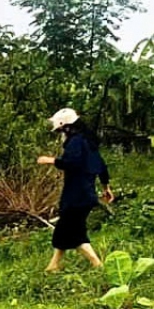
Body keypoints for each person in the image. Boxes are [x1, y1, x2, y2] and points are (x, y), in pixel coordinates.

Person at [37, 108, 113, 272]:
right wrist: (106, 187)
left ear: (64, 126)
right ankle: (53, 265)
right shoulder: (88, 142)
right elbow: (101, 166)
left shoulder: (76, 142)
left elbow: (71, 163)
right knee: (67, 229)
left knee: (70, 231)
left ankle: (97, 264)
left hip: (77, 196)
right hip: (86, 194)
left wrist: (50, 160)